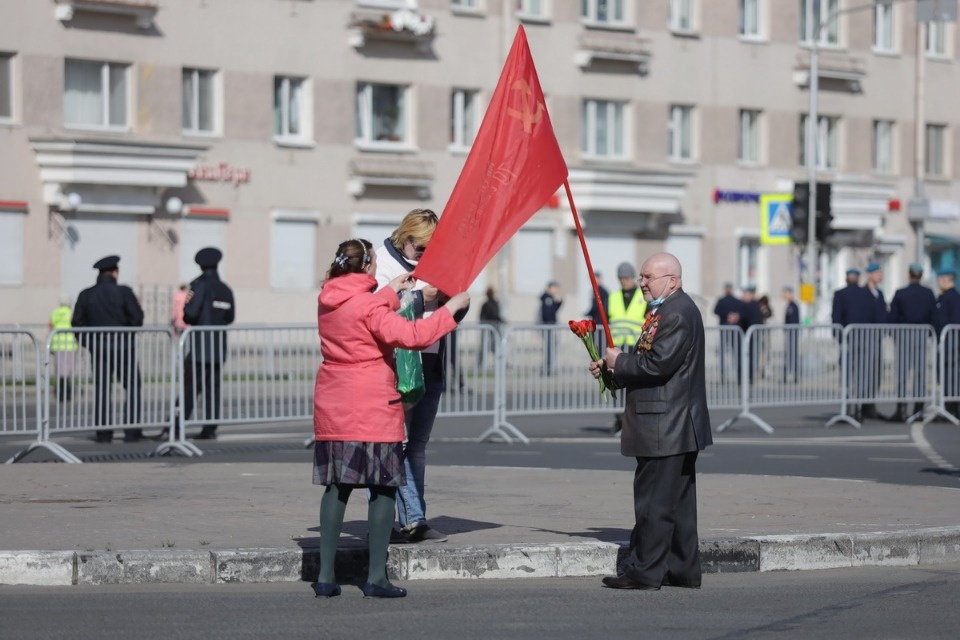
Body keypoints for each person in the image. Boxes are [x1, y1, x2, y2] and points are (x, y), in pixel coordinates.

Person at [312, 238, 469, 599]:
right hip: (372, 406)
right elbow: (412, 335)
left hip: (334, 405)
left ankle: (325, 576)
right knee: (382, 488)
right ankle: (376, 578)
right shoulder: (369, 307)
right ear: (367, 267)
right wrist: (451, 310)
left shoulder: (328, 299)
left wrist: (391, 290)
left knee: (337, 487)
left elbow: (362, 307)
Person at [590, 252, 712, 591]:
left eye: (648, 277)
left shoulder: (677, 312)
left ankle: (644, 572)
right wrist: (612, 368)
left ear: (672, 280)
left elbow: (657, 365)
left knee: (654, 503)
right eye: (642, 277)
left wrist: (620, 360)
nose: (642, 283)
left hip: (666, 425)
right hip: (670, 423)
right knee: (677, 504)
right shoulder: (668, 309)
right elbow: (652, 365)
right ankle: (682, 569)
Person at [374, 208, 467, 543]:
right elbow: (374, 311)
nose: (426, 255)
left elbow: (454, 312)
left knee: (417, 447)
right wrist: (418, 297)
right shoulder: (381, 261)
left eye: (432, 248)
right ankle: (414, 519)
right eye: (421, 248)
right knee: (396, 444)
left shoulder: (436, 262)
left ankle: (412, 518)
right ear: (405, 236)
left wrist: (453, 302)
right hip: (398, 364)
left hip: (431, 360)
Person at [71, 255, 145, 443]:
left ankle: (103, 434)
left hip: (99, 350)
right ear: (115, 272)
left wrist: (90, 343)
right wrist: (127, 332)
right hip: (124, 348)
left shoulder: (86, 294)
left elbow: (77, 323)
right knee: (133, 387)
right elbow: (137, 318)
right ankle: (132, 431)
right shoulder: (124, 292)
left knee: (102, 390)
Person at [179, 248, 235, 440]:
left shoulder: (199, 285)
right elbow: (230, 316)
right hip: (218, 347)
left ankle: (177, 424)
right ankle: (210, 428)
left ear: (201, 265)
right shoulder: (225, 289)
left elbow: (190, 314)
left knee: (189, 387)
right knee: (213, 388)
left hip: (200, 347)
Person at [832, 267, 882, 422]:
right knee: (863, 374)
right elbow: (876, 315)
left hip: (849, 338)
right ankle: (859, 408)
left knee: (847, 373)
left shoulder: (840, 294)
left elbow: (836, 317)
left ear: (846, 278)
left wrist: (839, 338)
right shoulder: (868, 294)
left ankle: (847, 408)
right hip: (867, 338)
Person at [888, 263, 936, 421]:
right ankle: (918, 410)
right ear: (921, 275)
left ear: (909, 275)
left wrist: (893, 335)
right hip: (922, 334)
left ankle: (901, 409)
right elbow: (933, 315)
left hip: (904, 334)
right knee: (920, 372)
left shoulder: (901, 293)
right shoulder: (928, 293)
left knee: (902, 371)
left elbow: (893, 317)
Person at [607, 262, 646, 434]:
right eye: (621, 278)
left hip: (636, 345)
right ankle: (619, 419)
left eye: (627, 277)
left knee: (634, 385)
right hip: (617, 345)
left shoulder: (643, 295)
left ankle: (633, 421)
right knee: (616, 384)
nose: (624, 281)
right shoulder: (614, 297)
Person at [933, 268, 960, 420]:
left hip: (951, 343)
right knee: (949, 376)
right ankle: (951, 408)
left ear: (945, 279)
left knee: (950, 376)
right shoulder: (948, 297)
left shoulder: (951, 298)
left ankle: (950, 409)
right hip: (947, 343)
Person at [49, 297, 78, 402]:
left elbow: (51, 326)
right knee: (68, 369)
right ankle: (67, 393)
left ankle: (60, 393)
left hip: (57, 344)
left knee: (60, 370)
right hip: (70, 344)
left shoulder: (55, 312)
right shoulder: (71, 313)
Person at [713, 282, 743, 384]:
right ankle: (739, 376)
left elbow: (715, 311)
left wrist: (726, 315)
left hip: (724, 329)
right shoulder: (737, 301)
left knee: (722, 354)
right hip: (735, 330)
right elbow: (741, 312)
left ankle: (722, 376)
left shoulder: (721, 301)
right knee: (736, 353)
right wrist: (733, 316)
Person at [538, 280, 563, 375]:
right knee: (549, 349)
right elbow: (548, 314)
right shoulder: (547, 298)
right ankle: (548, 368)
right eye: (555, 287)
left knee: (551, 348)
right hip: (548, 327)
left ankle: (549, 367)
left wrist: (559, 303)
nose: (556, 290)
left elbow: (553, 310)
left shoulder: (550, 298)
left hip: (551, 327)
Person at [478, 286, 503, 368]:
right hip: (493, 327)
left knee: (486, 346)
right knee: (494, 345)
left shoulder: (486, 304)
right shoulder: (495, 303)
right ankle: (497, 362)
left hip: (488, 327)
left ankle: (481, 363)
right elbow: (496, 315)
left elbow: (481, 317)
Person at [782, 286, 801, 383]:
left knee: (792, 354)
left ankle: (794, 375)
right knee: (789, 354)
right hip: (789, 333)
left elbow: (793, 321)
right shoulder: (789, 305)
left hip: (792, 333)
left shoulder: (793, 306)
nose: (784, 295)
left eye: (785, 293)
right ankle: (788, 375)